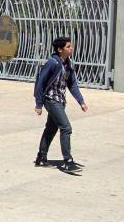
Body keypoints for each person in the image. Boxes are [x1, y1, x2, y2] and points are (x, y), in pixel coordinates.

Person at [34, 37, 88, 172]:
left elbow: (72, 84)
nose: (71, 48)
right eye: (69, 47)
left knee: (51, 128)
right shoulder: (52, 63)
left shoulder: (68, 63)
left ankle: (41, 157)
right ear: (60, 49)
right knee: (66, 127)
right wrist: (39, 104)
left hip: (60, 100)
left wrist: (81, 101)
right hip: (51, 100)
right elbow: (40, 83)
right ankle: (68, 161)